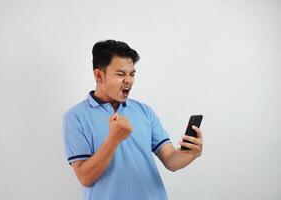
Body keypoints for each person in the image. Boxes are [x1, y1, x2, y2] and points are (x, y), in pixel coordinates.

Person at [62, 39, 203, 200]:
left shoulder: (144, 111)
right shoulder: (75, 117)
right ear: (99, 75)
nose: (128, 80)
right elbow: (85, 178)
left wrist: (192, 153)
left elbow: (171, 160)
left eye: (132, 74)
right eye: (121, 74)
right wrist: (113, 139)